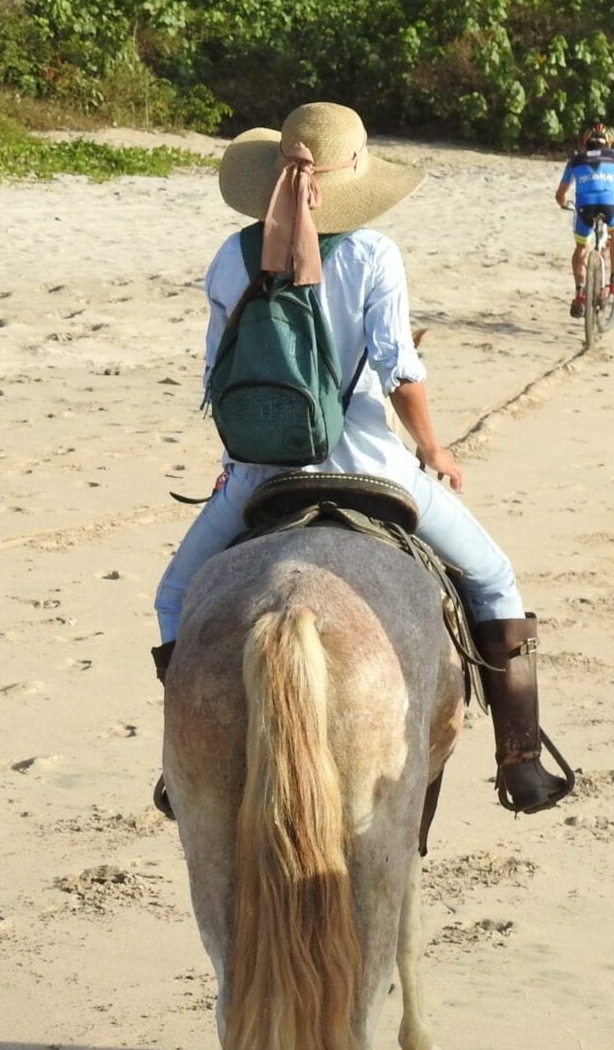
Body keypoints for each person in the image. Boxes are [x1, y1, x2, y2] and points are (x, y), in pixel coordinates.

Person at [151, 101, 569, 817]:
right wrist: (433, 447)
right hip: (373, 467)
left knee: (172, 600)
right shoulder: (373, 254)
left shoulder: (230, 257)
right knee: (495, 579)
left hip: (260, 473)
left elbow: (216, 376)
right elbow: (399, 370)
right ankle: (520, 761)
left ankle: (184, 762)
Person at [554, 121, 614, 319]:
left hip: (584, 207)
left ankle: (579, 294)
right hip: (609, 204)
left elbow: (560, 195)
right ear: (608, 142)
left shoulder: (575, 161)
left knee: (581, 248)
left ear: (585, 142)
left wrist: (564, 203)